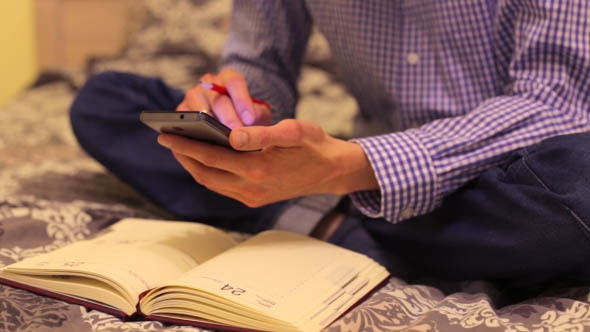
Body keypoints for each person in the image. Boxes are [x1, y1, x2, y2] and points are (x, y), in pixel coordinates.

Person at [70, 1, 590, 305]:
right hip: (352, 172)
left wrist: (352, 167)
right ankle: (386, 232)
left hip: (512, 172)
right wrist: (234, 110)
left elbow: (555, 101)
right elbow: (260, 64)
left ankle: (325, 221)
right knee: (107, 99)